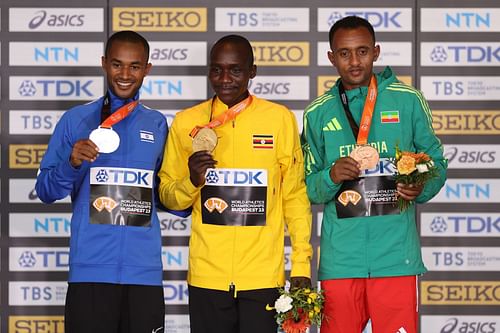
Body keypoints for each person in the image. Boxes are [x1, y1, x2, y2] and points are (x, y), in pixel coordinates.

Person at [301, 16, 447, 333]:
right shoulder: (318, 112)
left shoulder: (407, 100)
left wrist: (419, 186)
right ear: (330, 57)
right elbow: (308, 187)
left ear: (377, 52)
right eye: (344, 53)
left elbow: (436, 161)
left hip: (395, 257)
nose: (354, 61)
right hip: (341, 261)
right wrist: (331, 176)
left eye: (363, 51)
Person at [158, 34, 313, 333]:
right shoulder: (185, 123)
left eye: (235, 70)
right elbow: (169, 197)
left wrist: (302, 265)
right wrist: (191, 181)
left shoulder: (279, 119)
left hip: (262, 278)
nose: (224, 79)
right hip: (207, 277)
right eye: (216, 70)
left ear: (252, 71)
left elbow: (294, 195)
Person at [36, 31, 167, 333]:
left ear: (147, 68)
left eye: (135, 66)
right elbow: (45, 190)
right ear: (104, 63)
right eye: (117, 64)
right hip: (90, 271)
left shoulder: (157, 124)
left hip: (143, 274)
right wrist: (71, 163)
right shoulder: (75, 119)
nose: (125, 74)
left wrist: (191, 186)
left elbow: (166, 195)